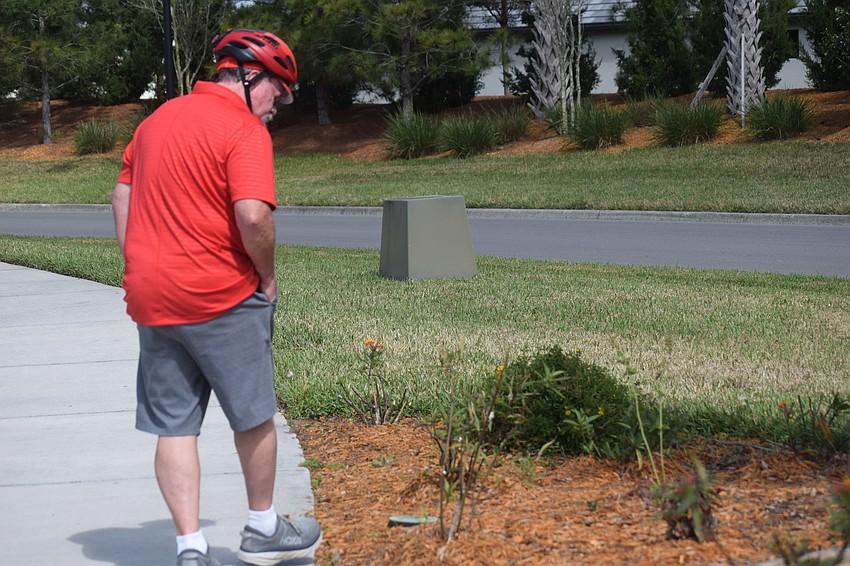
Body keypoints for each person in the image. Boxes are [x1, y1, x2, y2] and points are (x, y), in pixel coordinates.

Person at [111, 28, 321, 566]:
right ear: (253, 77)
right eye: (282, 89)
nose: (282, 103)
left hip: (153, 297)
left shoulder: (156, 121)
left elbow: (122, 194)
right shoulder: (243, 129)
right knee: (253, 415)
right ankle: (263, 529)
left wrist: (138, 263)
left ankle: (190, 548)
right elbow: (253, 216)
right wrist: (267, 279)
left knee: (174, 424)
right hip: (220, 295)